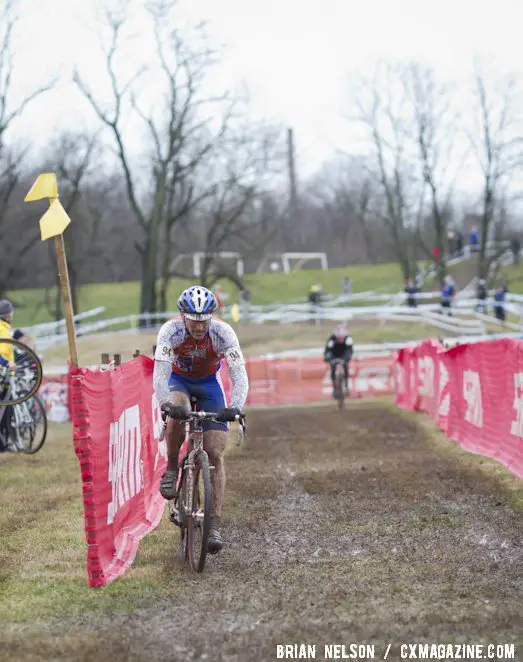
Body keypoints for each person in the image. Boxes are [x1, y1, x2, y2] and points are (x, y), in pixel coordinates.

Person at [153, 285, 249, 554]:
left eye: (203, 319)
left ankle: (214, 523)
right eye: (193, 320)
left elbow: (239, 374)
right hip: (178, 381)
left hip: (209, 385)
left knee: (215, 451)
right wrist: (165, 404)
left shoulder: (223, 333)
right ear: (183, 316)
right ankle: (172, 467)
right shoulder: (170, 332)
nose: (198, 325)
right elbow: (160, 374)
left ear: (211, 317)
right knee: (179, 409)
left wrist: (236, 406)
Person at [323, 323, 354, 395]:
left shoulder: (348, 338)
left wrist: (346, 359)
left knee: (345, 367)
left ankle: (346, 385)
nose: (340, 339)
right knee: (333, 368)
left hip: (344, 354)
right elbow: (328, 350)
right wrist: (328, 358)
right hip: (334, 354)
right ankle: (334, 387)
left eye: (342, 338)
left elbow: (350, 350)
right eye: (339, 338)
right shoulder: (331, 339)